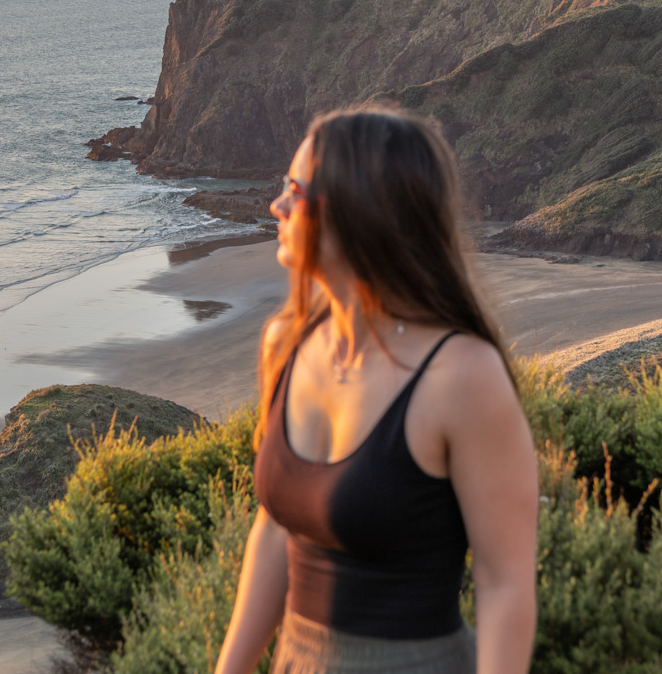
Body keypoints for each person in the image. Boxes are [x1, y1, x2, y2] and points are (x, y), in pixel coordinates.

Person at [215, 106, 539, 674]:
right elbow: (275, 532)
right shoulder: (286, 342)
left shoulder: (461, 375)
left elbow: (505, 584)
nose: (277, 205)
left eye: (294, 188)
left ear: (356, 211)